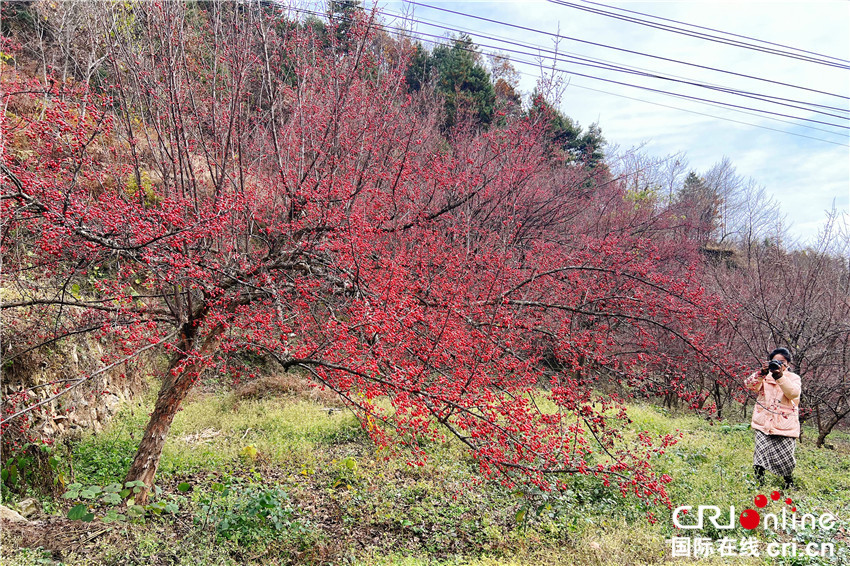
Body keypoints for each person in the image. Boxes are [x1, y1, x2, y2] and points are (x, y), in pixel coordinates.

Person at [743, 347, 801, 489]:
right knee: (760, 454)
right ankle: (759, 483)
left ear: (788, 364)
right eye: (775, 361)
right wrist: (762, 372)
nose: (778, 364)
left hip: (785, 424)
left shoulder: (794, 378)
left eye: (782, 362)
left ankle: (788, 481)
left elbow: (793, 394)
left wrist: (780, 377)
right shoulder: (764, 377)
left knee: (786, 457)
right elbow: (749, 385)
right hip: (764, 422)